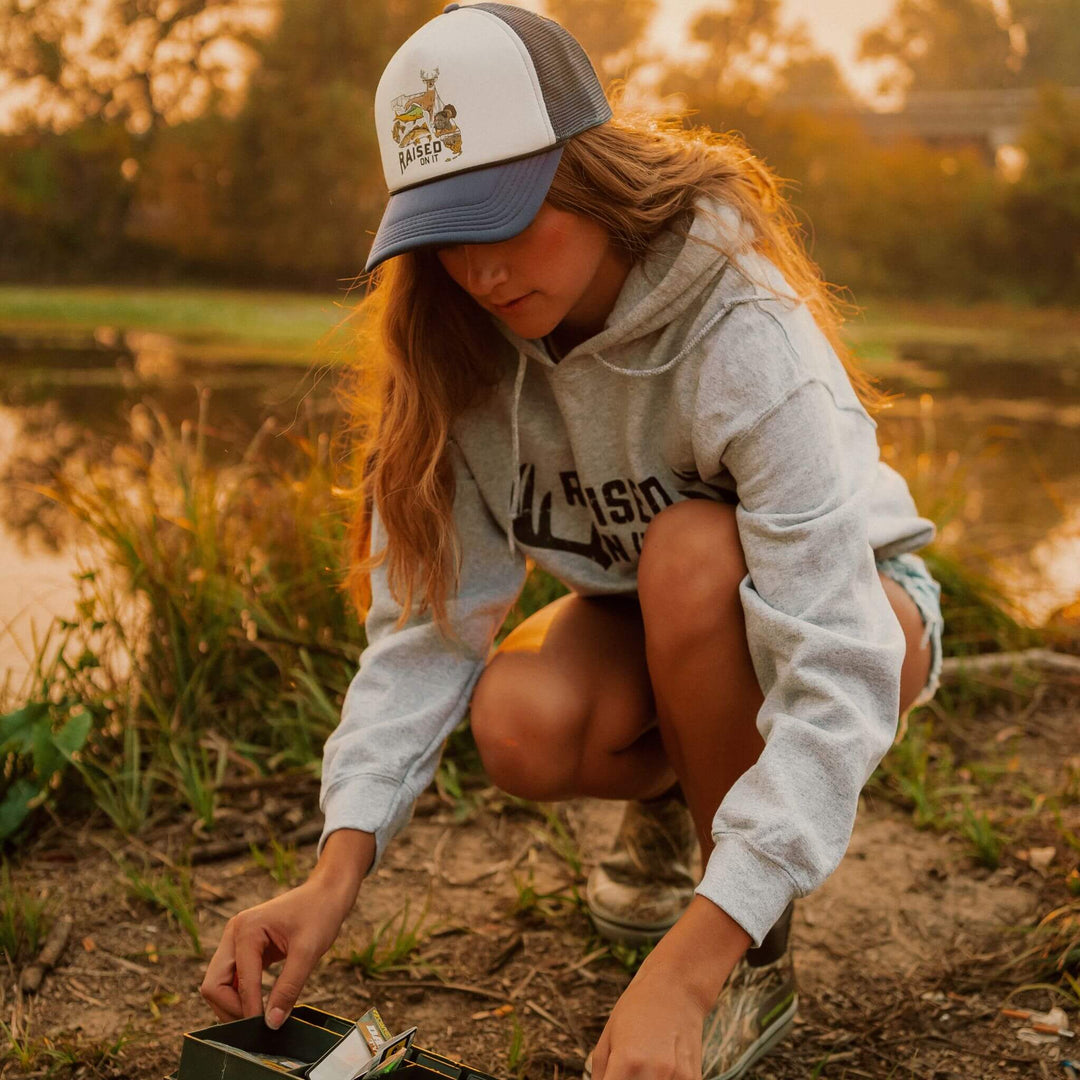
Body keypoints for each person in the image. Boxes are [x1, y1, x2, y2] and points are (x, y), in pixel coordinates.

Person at [200, 5, 944, 1079]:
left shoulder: (739, 326)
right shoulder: (457, 348)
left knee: (692, 552)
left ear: (586, 170)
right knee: (519, 717)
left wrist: (684, 970)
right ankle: (687, 804)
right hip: (647, 617)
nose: (483, 272)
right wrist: (334, 871)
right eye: (446, 236)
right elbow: (424, 635)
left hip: (859, 609)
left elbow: (840, 663)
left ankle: (746, 950)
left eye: (504, 216)